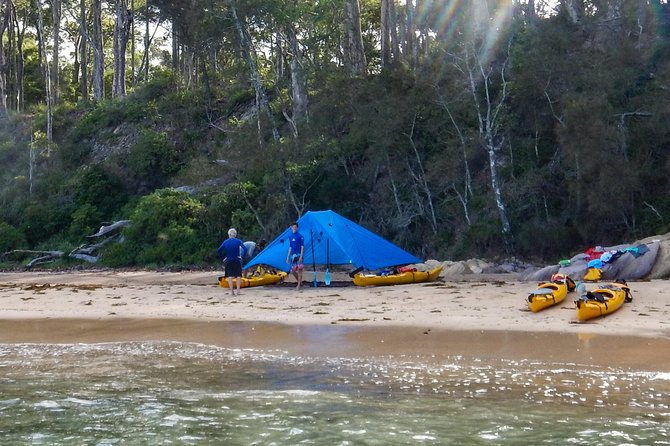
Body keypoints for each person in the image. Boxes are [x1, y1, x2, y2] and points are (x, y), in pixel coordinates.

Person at [217, 228, 248, 296]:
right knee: (238, 276)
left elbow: (219, 250)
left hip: (228, 260)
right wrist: (241, 256)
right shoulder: (238, 241)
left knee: (230, 276)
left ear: (229, 234)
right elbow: (245, 249)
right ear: (235, 235)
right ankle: (238, 291)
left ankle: (231, 292)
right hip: (237, 260)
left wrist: (223, 258)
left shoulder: (225, 242)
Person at [285, 222, 304, 289]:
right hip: (293, 255)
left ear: (297, 228)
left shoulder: (300, 236)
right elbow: (290, 247)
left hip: (299, 254)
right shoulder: (290, 236)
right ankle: (300, 282)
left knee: (299, 270)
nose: (294, 228)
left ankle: (298, 285)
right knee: (293, 271)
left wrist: (301, 256)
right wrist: (288, 257)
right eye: (293, 227)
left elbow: (302, 247)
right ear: (291, 228)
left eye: (295, 227)